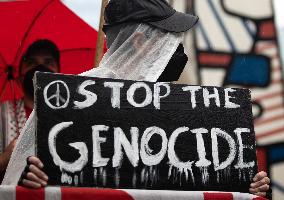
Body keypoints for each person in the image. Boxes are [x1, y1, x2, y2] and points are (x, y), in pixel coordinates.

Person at [12, 0, 270, 198]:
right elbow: (19, 181)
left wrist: (244, 185)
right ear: (139, 42)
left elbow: (196, 181)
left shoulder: (182, 107)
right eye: (169, 37)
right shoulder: (71, 100)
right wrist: (28, 182)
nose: (178, 48)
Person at [0, 39, 60, 183]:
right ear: (20, 74)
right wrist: (5, 158)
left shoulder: (70, 116)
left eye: (48, 63)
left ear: (59, 73)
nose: (39, 68)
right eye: (31, 63)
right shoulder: (1, 113)